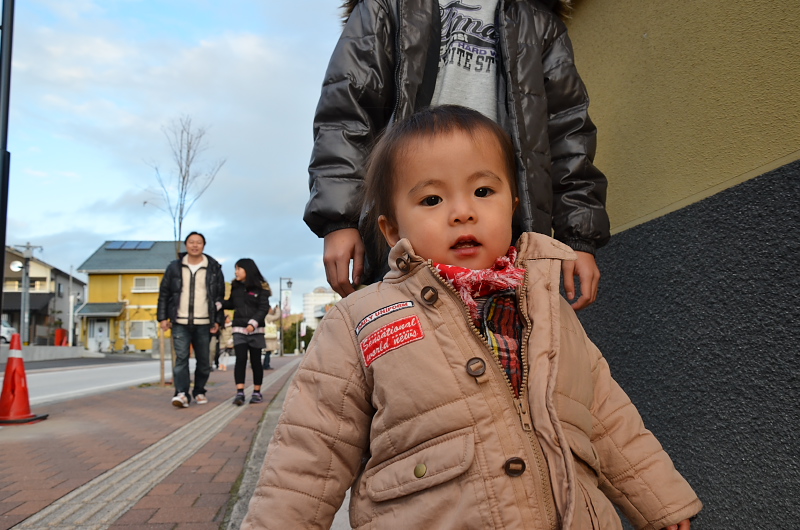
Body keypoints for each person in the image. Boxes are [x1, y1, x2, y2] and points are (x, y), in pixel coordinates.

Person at [243, 106, 700, 529]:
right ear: (392, 228)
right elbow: (308, 454)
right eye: (431, 200)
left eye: (483, 191)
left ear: (512, 206)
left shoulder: (546, 303)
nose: (463, 212)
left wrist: (663, 502)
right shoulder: (360, 319)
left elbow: (605, 414)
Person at [304, 0, 609, 310]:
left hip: (507, 235)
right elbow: (347, 113)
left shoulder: (536, 17)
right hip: (414, 229)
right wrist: (340, 221)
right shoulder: (385, 6)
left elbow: (568, 132)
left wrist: (577, 238)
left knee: (508, 332)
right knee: (410, 330)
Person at [157, 232, 225, 408]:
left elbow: (219, 297)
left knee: (204, 361)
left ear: (204, 245)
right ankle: (182, 393)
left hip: (204, 322)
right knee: (181, 358)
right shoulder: (174, 267)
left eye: (199, 242)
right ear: (186, 245)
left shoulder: (213, 268)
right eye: (191, 242)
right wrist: (162, 317)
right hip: (180, 321)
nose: (195, 245)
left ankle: (199, 390)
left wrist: (217, 320)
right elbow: (164, 293)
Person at [222, 258, 271, 406]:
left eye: (238, 269)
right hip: (239, 329)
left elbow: (263, 308)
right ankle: (240, 392)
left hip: (256, 330)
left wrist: (253, 322)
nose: (236, 272)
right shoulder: (235, 286)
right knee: (240, 359)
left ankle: (257, 392)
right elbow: (231, 303)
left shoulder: (262, 287)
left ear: (247, 270)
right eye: (235, 269)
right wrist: (218, 303)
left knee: (256, 362)